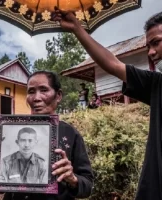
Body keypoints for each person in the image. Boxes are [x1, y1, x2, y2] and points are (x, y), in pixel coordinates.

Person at [54, 8, 162, 200]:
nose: (151, 52)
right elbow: (113, 64)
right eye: (148, 47)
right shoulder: (156, 84)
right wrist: (77, 28)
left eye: (156, 43)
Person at [0, 71, 94, 200]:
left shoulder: (70, 134)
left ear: (58, 95)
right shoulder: (8, 130)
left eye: (44, 90)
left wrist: (72, 179)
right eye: (31, 91)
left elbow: (87, 186)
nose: (36, 98)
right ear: (17, 141)